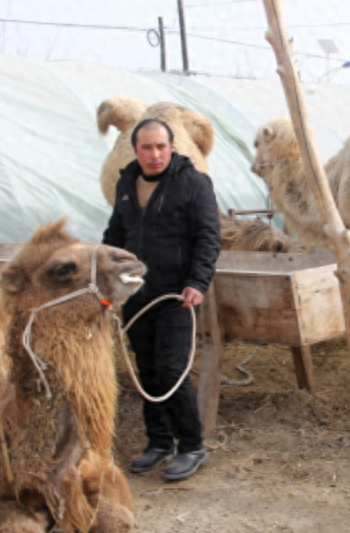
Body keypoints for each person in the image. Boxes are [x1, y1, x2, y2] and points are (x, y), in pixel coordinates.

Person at [102, 117, 221, 481]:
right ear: (135, 150)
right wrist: (106, 278)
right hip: (137, 293)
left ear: (172, 147)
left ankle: (191, 446)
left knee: (171, 369)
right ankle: (158, 443)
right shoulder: (126, 184)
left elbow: (208, 237)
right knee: (147, 369)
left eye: (161, 147)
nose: (155, 154)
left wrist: (197, 283)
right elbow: (115, 234)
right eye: (147, 147)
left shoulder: (193, 183)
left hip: (176, 294)